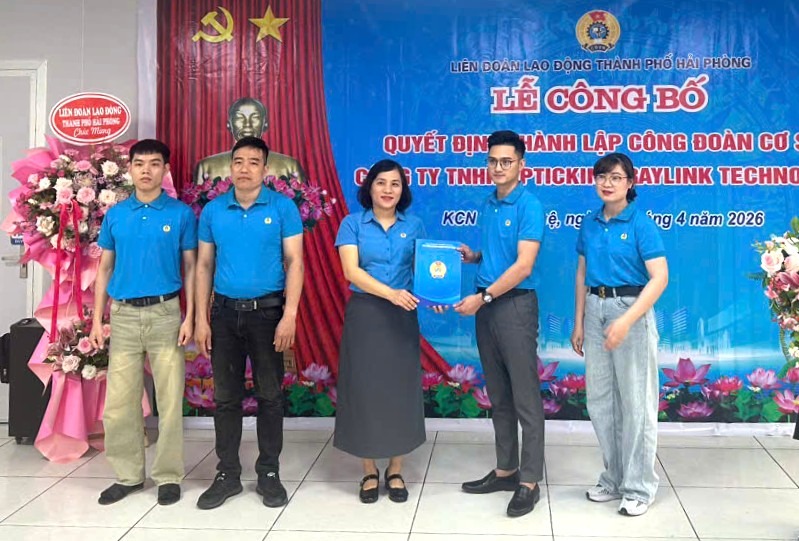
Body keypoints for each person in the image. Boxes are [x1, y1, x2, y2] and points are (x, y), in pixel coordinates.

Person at [194, 136, 304, 510]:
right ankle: (227, 474)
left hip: (268, 314)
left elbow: (295, 262)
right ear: (230, 166)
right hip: (223, 315)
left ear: (265, 168)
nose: (244, 169)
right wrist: (201, 319)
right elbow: (204, 265)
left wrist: (289, 315)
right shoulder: (213, 211)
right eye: (238, 161)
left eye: (253, 162)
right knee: (226, 398)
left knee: (270, 397)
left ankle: (269, 472)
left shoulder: (284, 208)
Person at [90, 139, 197, 506]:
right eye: (139, 163)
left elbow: (192, 268)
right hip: (122, 316)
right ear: (130, 169)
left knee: (168, 399)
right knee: (119, 402)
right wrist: (96, 320)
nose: (146, 170)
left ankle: (168, 476)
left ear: (165, 169)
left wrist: (191, 316)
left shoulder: (181, 214)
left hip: (166, 313)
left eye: (154, 163)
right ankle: (128, 475)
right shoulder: (116, 215)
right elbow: (104, 267)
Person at [570, 152, 668, 517]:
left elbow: (659, 277)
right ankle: (613, 479)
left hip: (631, 311)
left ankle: (640, 488)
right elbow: (582, 273)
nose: (607, 182)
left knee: (636, 404)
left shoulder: (641, 223)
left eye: (615, 176)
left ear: (630, 183)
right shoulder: (590, 223)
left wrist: (627, 320)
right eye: (601, 176)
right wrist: (579, 321)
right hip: (595, 310)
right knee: (601, 400)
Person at [455, 130, 545, 518]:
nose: (497, 167)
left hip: (513, 307)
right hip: (488, 307)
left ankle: (529, 482)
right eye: (492, 160)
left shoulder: (530, 206)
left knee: (525, 397)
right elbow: (499, 256)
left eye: (506, 161)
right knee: (499, 394)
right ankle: (506, 469)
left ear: (521, 165)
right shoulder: (488, 204)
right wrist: (475, 256)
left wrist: (484, 297)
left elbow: (524, 265)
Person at [334, 159, 426, 504]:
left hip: (402, 317)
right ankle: (370, 470)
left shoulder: (414, 225)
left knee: (399, 389)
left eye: (395, 184)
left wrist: (438, 294)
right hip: (367, 314)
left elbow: (425, 270)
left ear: (403, 191)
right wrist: (389, 294)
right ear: (369, 187)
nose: (388, 190)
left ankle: (396, 469)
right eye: (381, 183)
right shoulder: (352, 224)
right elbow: (351, 272)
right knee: (366, 389)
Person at [193, 97, 306, 185]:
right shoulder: (207, 166)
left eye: (255, 117)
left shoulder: (290, 166)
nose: (248, 124)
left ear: (265, 124)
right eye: (240, 118)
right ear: (229, 124)